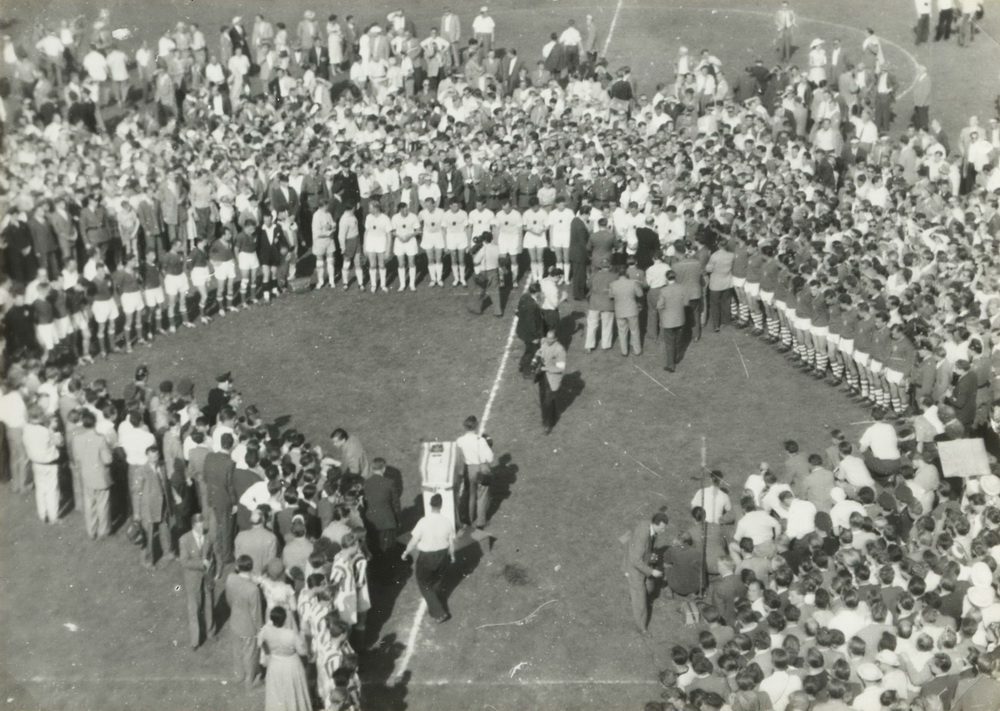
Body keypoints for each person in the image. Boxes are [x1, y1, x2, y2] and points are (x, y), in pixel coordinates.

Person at [402, 493, 455, 623]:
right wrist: (452, 555)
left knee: (424, 583)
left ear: (430, 505)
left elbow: (414, 540)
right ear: (441, 505)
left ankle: (439, 613)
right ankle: (435, 603)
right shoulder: (447, 522)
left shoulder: (423, 522)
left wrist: (405, 552)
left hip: (426, 557)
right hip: (442, 556)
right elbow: (452, 543)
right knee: (436, 580)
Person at [68, 408, 113, 539]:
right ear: (95, 423)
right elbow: (107, 459)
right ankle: (103, 531)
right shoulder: (100, 439)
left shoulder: (77, 439)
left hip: (86, 475)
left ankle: (91, 530)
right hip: (100, 476)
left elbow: (77, 457)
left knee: (89, 504)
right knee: (102, 505)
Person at [258, 606, 312, 711]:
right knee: (292, 691)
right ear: (285, 618)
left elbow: (260, 643)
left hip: (275, 663)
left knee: (277, 693)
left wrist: (268, 652)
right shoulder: (291, 634)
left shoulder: (265, 630)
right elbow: (302, 652)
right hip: (291, 664)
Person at [623, 511, 668, 634]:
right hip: (635, 570)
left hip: (642, 562)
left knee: (649, 587)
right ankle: (641, 628)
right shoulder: (642, 536)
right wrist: (652, 571)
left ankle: (634, 595)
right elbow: (635, 561)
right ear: (655, 523)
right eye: (662, 528)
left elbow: (646, 548)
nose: (663, 531)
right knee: (641, 602)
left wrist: (651, 555)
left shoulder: (648, 526)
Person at [225, 555, 263, 690]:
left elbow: (228, 599)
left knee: (237, 652)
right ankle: (250, 680)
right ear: (251, 568)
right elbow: (256, 613)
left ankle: (239, 675)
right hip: (249, 627)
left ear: (237, 566)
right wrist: (260, 630)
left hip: (235, 621)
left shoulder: (230, 579)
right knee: (250, 654)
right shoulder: (253, 589)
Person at [179, 512, 216, 650]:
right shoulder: (184, 540)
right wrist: (202, 563)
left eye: (203, 525)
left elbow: (212, 554)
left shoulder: (208, 537)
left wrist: (212, 567)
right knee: (194, 609)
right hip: (192, 579)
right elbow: (184, 562)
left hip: (207, 577)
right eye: (200, 526)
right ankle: (195, 641)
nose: (203, 529)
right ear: (194, 526)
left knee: (209, 604)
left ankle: (210, 632)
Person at [23, 404, 62, 524]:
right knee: (51, 490)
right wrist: (55, 431)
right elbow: (59, 443)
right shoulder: (46, 431)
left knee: (40, 489)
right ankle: (53, 516)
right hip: (48, 463)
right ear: (41, 416)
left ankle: (42, 514)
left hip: (35, 463)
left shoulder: (27, 428)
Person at [137, 444, 174, 568]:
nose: (154, 458)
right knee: (149, 534)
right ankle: (148, 560)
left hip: (163, 504)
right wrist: (137, 512)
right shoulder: (141, 471)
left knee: (165, 529)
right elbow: (137, 492)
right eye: (151, 456)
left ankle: (168, 552)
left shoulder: (161, 467)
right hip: (149, 508)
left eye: (156, 455)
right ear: (147, 456)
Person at [362, 457, 401, 572]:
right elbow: (396, 504)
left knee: (374, 547)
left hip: (371, 521)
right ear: (383, 469)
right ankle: (387, 575)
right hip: (386, 522)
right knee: (387, 549)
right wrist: (397, 520)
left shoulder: (366, 483)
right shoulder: (389, 483)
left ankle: (375, 572)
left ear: (372, 468)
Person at [456, 415, 494, 530]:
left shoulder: (459, 441)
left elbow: (458, 457)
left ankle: (468, 518)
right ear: (476, 426)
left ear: (465, 426)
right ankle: (481, 522)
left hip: (468, 470)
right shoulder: (480, 440)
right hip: (481, 469)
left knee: (470, 495)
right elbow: (490, 458)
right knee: (482, 496)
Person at [609, 266, 645, 357]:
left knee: (622, 331)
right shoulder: (632, 283)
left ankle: (624, 351)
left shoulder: (613, 284)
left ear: (617, 274)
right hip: (632, 310)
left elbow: (611, 296)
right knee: (635, 331)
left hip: (620, 311)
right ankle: (637, 350)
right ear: (626, 274)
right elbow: (640, 294)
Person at [536, 328, 566, 435]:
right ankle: (552, 418)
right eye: (547, 338)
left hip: (553, 379)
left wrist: (546, 368)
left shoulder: (560, 350)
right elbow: (541, 351)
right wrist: (537, 355)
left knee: (547, 402)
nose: (548, 341)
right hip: (543, 377)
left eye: (551, 339)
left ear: (556, 339)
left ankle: (547, 425)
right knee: (544, 399)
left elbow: (560, 368)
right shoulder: (544, 344)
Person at [656, 271, 687, 373]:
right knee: (678, 340)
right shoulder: (681, 288)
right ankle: (677, 357)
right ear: (675, 277)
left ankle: (671, 365)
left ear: (666, 278)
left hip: (668, 320)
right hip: (680, 318)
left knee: (669, 343)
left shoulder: (663, 291)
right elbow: (686, 303)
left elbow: (659, 305)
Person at [235, 507, 279, 574]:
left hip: (244, 574)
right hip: (261, 575)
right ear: (263, 520)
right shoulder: (271, 537)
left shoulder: (240, 536)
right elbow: (271, 560)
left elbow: (238, 557)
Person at [469, 232, 502, 316]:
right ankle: (498, 311)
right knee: (495, 291)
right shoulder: (497, 247)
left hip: (484, 272)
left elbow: (476, 261)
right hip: (494, 271)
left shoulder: (483, 249)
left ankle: (477, 309)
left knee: (480, 290)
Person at [516, 282, 545, 376]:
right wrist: (535, 337)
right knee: (532, 351)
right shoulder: (532, 305)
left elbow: (518, 310)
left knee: (529, 349)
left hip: (522, 329)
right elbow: (531, 323)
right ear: (537, 292)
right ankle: (526, 371)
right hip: (529, 333)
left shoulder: (524, 296)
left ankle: (522, 364)